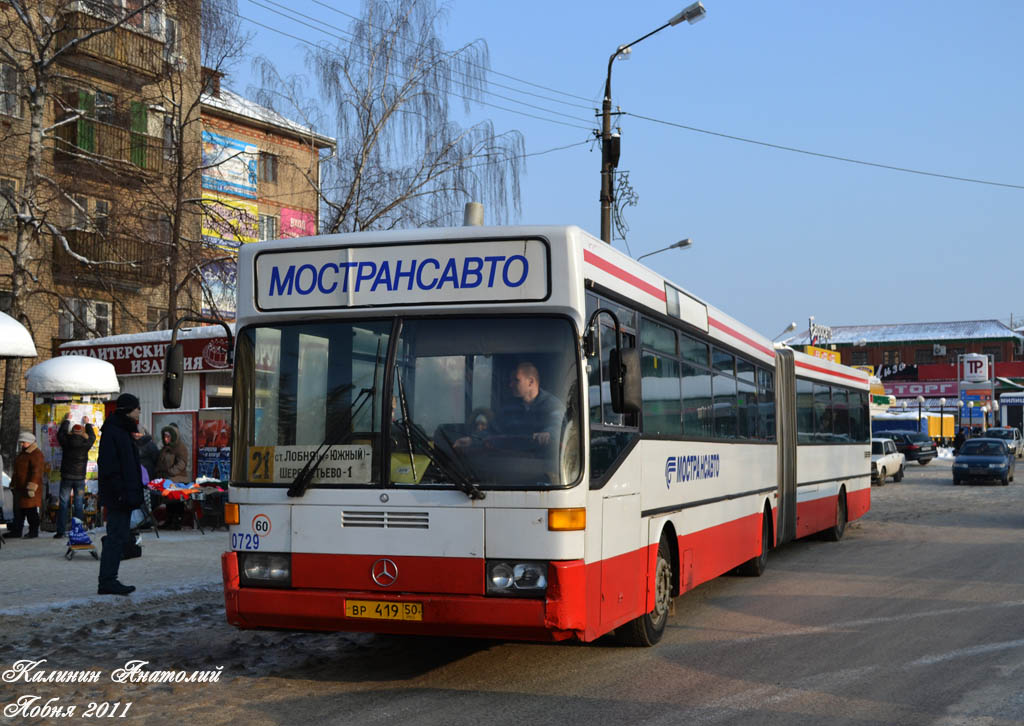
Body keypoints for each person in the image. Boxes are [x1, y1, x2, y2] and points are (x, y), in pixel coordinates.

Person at [97, 393, 144, 596]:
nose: (139, 411)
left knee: (119, 536)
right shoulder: (114, 432)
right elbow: (110, 467)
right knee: (116, 537)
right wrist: (120, 493)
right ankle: (108, 581)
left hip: (122, 494)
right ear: (127, 410)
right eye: (137, 407)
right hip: (119, 496)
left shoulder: (122, 430)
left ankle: (109, 579)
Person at [500, 362, 564, 447]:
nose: (510, 385)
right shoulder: (509, 406)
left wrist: (548, 434)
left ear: (530, 382)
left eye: (516, 380)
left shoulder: (553, 405)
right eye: (510, 381)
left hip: (543, 459)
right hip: (510, 458)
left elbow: (556, 426)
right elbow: (494, 428)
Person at [55, 414, 96, 538]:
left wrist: (66, 420)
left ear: (72, 433)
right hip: (79, 479)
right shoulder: (85, 444)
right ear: (82, 433)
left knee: (63, 504)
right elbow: (92, 437)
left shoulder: (66, 442)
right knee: (78, 505)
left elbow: (60, 435)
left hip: (67, 477)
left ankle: (60, 531)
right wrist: (87, 424)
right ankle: (77, 530)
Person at [9, 432, 44, 538]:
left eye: (23, 442)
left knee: (31, 511)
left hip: (30, 488)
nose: (21, 444)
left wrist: (31, 487)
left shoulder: (36, 454)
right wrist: (13, 484)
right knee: (18, 511)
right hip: (20, 487)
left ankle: (33, 532)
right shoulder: (24, 453)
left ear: (30, 442)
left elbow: (36, 472)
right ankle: (16, 531)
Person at [154, 424, 189, 528]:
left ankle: (177, 520)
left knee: (176, 501)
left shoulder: (180, 447)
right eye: (164, 436)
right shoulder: (165, 448)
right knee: (169, 501)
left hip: (177, 479)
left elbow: (182, 463)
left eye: (168, 436)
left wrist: (171, 472)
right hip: (167, 479)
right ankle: (169, 519)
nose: (166, 439)